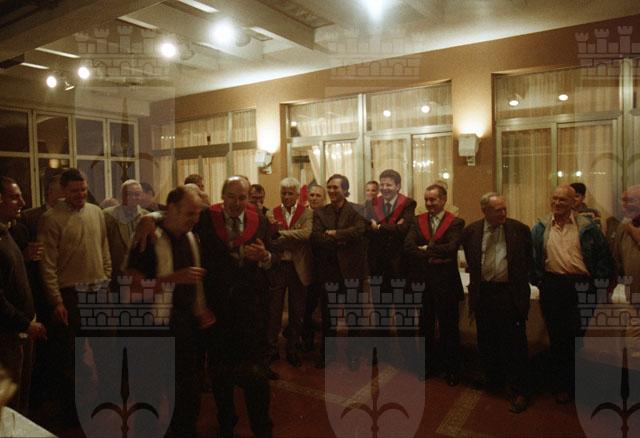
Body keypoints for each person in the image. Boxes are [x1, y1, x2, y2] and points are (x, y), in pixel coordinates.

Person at [135, 176, 276, 437]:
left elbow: (273, 258)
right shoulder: (207, 219)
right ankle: (226, 423)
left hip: (250, 313)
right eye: (231, 196)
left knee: (256, 377)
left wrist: (265, 257)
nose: (236, 202)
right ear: (222, 196)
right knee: (220, 375)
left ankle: (262, 428)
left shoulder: (261, 221)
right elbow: (177, 218)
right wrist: (149, 218)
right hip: (216, 312)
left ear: (249, 198)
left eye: (242, 197)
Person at [126, 185, 214, 437]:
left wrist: (200, 309)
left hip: (185, 329)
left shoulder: (191, 237)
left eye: (198, 213)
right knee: (149, 398)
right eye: (190, 213)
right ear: (172, 209)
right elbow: (131, 289)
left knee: (188, 396)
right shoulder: (148, 238)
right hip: (151, 332)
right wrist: (172, 279)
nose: (195, 219)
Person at [38, 168, 112, 424]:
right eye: (74, 191)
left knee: (105, 351)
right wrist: (56, 301)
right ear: (63, 190)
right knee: (72, 357)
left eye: (83, 190)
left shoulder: (96, 212)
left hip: (98, 290)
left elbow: (104, 248)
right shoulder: (51, 218)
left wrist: (106, 277)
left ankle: (106, 401)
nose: (80, 194)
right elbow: (47, 264)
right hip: (70, 295)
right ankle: (73, 411)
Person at [531, 184, 615, 403]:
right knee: (557, 338)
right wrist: (539, 282)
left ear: (573, 202)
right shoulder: (540, 227)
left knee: (577, 338)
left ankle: (576, 385)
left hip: (581, 287)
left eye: (563, 200)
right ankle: (560, 385)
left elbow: (604, 258)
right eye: (554, 198)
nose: (557, 203)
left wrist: (598, 287)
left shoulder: (587, 227)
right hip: (552, 286)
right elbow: (532, 258)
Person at [461, 192, 532, 413]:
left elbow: (529, 261)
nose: (503, 213)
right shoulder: (471, 231)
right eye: (498, 210)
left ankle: (520, 390)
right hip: (483, 294)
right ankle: (494, 381)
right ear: (485, 211)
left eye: (504, 208)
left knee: (515, 344)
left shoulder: (519, 230)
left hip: (509, 294)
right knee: (487, 341)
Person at [404, 184, 464, 385]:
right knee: (424, 327)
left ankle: (452, 370)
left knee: (449, 328)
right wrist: (435, 251)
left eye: (433, 199)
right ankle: (427, 366)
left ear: (444, 199)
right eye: (426, 199)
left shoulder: (456, 222)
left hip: (446, 283)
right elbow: (408, 247)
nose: (429, 203)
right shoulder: (417, 221)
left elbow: (452, 248)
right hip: (423, 283)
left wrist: (425, 249)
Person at [0, 177, 47, 414]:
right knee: (10, 406)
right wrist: (25, 324)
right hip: (8, 334)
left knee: (20, 401)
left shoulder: (7, 232)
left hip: (19, 331)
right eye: (14, 197)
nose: (23, 202)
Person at [311, 174, 368, 370]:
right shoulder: (320, 212)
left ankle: (353, 354)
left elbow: (359, 231)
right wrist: (344, 238)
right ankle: (328, 353)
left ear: (345, 189)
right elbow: (317, 238)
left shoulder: (358, 209)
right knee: (328, 316)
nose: (331, 191)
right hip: (329, 271)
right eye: (329, 187)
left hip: (352, 270)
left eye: (335, 187)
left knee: (354, 315)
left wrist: (335, 234)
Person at [363, 169, 416, 361]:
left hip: (401, 267)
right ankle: (382, 352)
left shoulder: (408, 203)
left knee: (403, 312)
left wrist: (379, 226)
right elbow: (366, 230)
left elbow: (404, 229)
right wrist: (393, 227)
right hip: (378, 267)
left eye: (389, 185)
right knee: (380, 312)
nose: (385, 188)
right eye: (382, 184)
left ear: (398, 186)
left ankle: (408, 356)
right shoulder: (371, 204)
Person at [266, 177, 313, 368]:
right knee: (274, 311)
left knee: (297, 311)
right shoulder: (271, 213)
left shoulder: (307, 213)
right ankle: (271, 349)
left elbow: (306, 234)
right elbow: (271, 240)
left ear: (297, 194)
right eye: (283, 193)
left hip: (298, 267)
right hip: (278, 267)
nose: (286, 196)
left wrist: (282, 234)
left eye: (290, 193)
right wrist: (293, 236)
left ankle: (293, 348)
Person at [612, 185, 640, 354]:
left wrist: (629, 227)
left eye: (630, 201)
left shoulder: (626, 226)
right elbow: (616, 261)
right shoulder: (623, 227)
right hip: (634, 300)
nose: (624, 205)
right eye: (623, 201)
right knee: (633, 351)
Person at [103, 180, 148, 285]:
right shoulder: (108, 216)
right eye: (129, 194)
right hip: (116, 273)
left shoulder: (147, 217)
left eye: (137, 194)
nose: (133, 197)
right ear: (122, 196)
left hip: (139, 274)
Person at [302, 184, 326, 351]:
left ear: (324, 198)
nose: (315, 198)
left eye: (318, 195)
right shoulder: (302, 214)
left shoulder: (328, 215)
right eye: (312, 195)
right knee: (306, 306)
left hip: (324, 268)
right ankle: (307, 340)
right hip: (305, 267)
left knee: (324, 308)